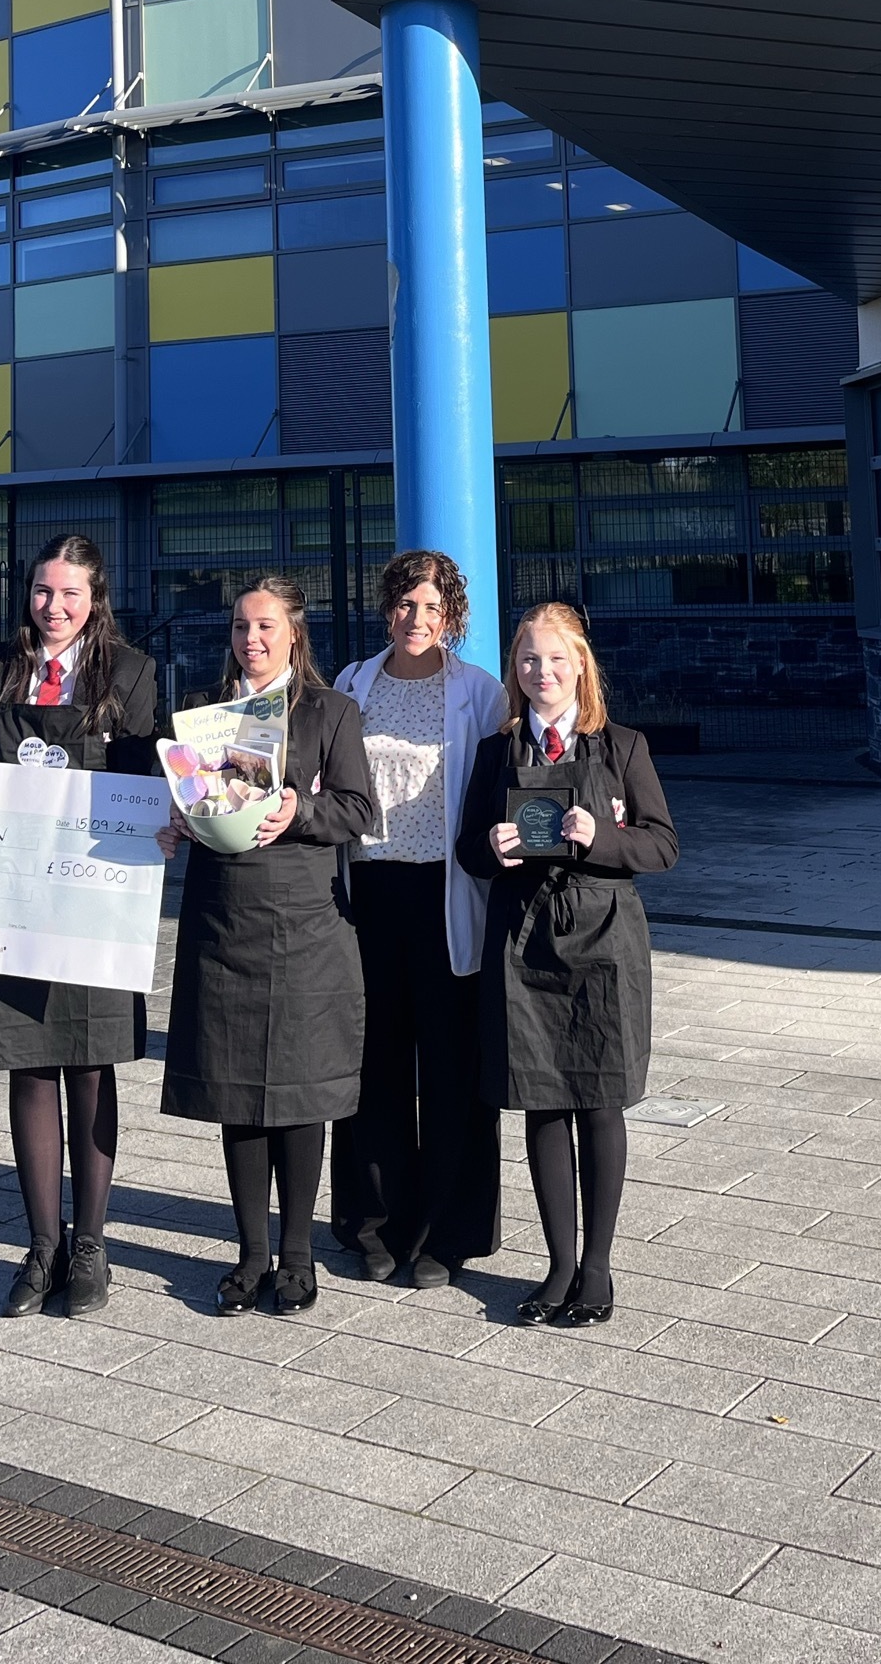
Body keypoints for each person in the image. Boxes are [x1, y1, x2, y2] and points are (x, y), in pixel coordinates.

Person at [0, 534, 158, 1321]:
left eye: (70, 593)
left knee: (92, 1065)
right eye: (42, 591)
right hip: (8, 900)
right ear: (26, 593)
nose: (54, 606)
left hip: (96, 903)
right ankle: (42, 1246)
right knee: (27, 1066)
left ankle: (92, 1246)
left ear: (95, 597)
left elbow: (146, 784)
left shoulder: (130, 674)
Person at [457, 601, 678, 1328]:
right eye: (528, 660)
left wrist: (599, 839)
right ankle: (556, 1266)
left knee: (598, 1100)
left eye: (555, 659)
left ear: (581, 665)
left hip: (605, 943)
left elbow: (662, 847)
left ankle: (599, 1268)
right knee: (544, 1101)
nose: (541, 672)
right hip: (522, 943)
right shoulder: (498, 752)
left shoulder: (622, 747)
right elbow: (466, 852)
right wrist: (491, 848)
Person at [158, 574, 374, 1316]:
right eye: (242, 628)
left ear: (294, 634)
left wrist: (299, 807)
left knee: (297, 1093)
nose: (252, 640)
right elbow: (187, 797)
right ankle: (251, 1254)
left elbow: (357, 809)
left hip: (306, 923)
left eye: (266, 628)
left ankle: (299, 1256)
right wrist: (181, 820)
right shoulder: (207, 720)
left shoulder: (332, 712)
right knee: (235, 1093)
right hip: (224, 920)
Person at [330, 550, 507, 1288]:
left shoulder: (483, 694)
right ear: (388, 607)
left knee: (449, 1066)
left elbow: (508, 785)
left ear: (452, 616)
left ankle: (447, 1231)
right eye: (406, 605)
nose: (417, 619)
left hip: (447, 896)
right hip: (369, 894)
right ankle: (372, 1223)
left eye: (432, 608)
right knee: (372, 1067)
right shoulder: (351, 684)